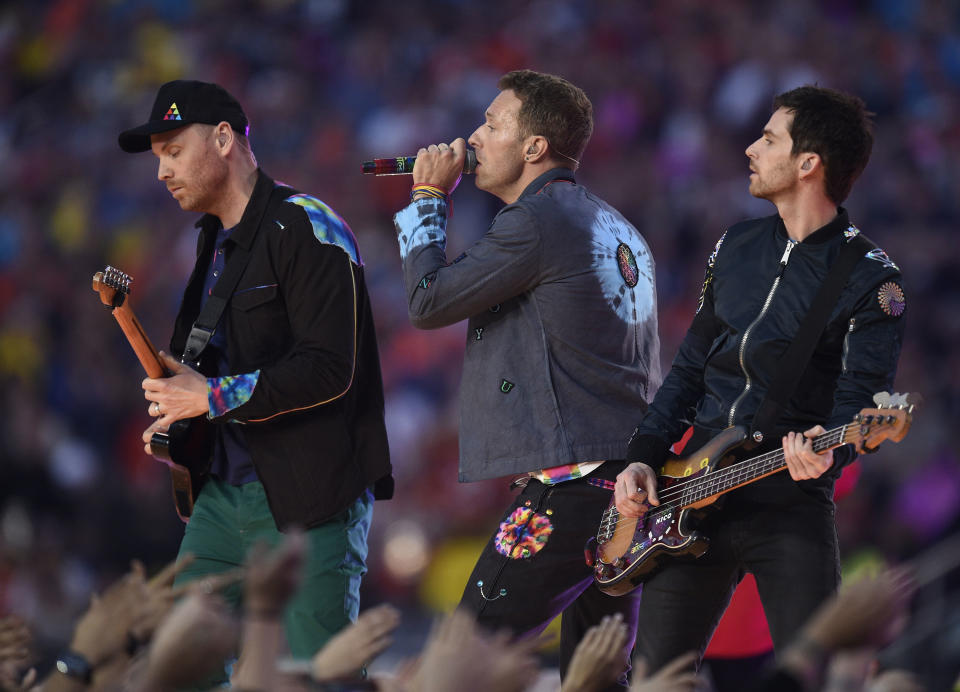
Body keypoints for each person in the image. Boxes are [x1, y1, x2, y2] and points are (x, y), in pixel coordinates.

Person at [614, 86, 906, 670]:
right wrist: (643, 456)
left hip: (788, 500)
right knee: (651, 677)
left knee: (817, 672)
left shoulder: (874, 281)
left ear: (807, 164)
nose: (751, 148)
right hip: (687, 489)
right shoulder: (735, 245)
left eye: (768, 138)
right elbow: (690, 369)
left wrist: (831, 455)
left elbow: (858, 406)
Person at [391, 70, 661, 689]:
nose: (474, 137)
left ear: (534, 146)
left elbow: (428, 302)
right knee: (595, 678)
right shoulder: (619, 228)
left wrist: (428, 199)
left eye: (492, 124)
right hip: (626, 487)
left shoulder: (537, 222)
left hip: (571, 487)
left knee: (461, 661)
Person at [116, 80, 393, 669]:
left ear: (222, 139)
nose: (161, 172)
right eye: (157, 158)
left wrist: (210, 396)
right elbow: (207, 374)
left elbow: (330, 368)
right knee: (172, 665)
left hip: (309, 504)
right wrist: (178, 410)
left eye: (172, 151)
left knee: (314, 676)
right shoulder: (212, 243)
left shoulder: (310, 226)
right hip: (220, 500)